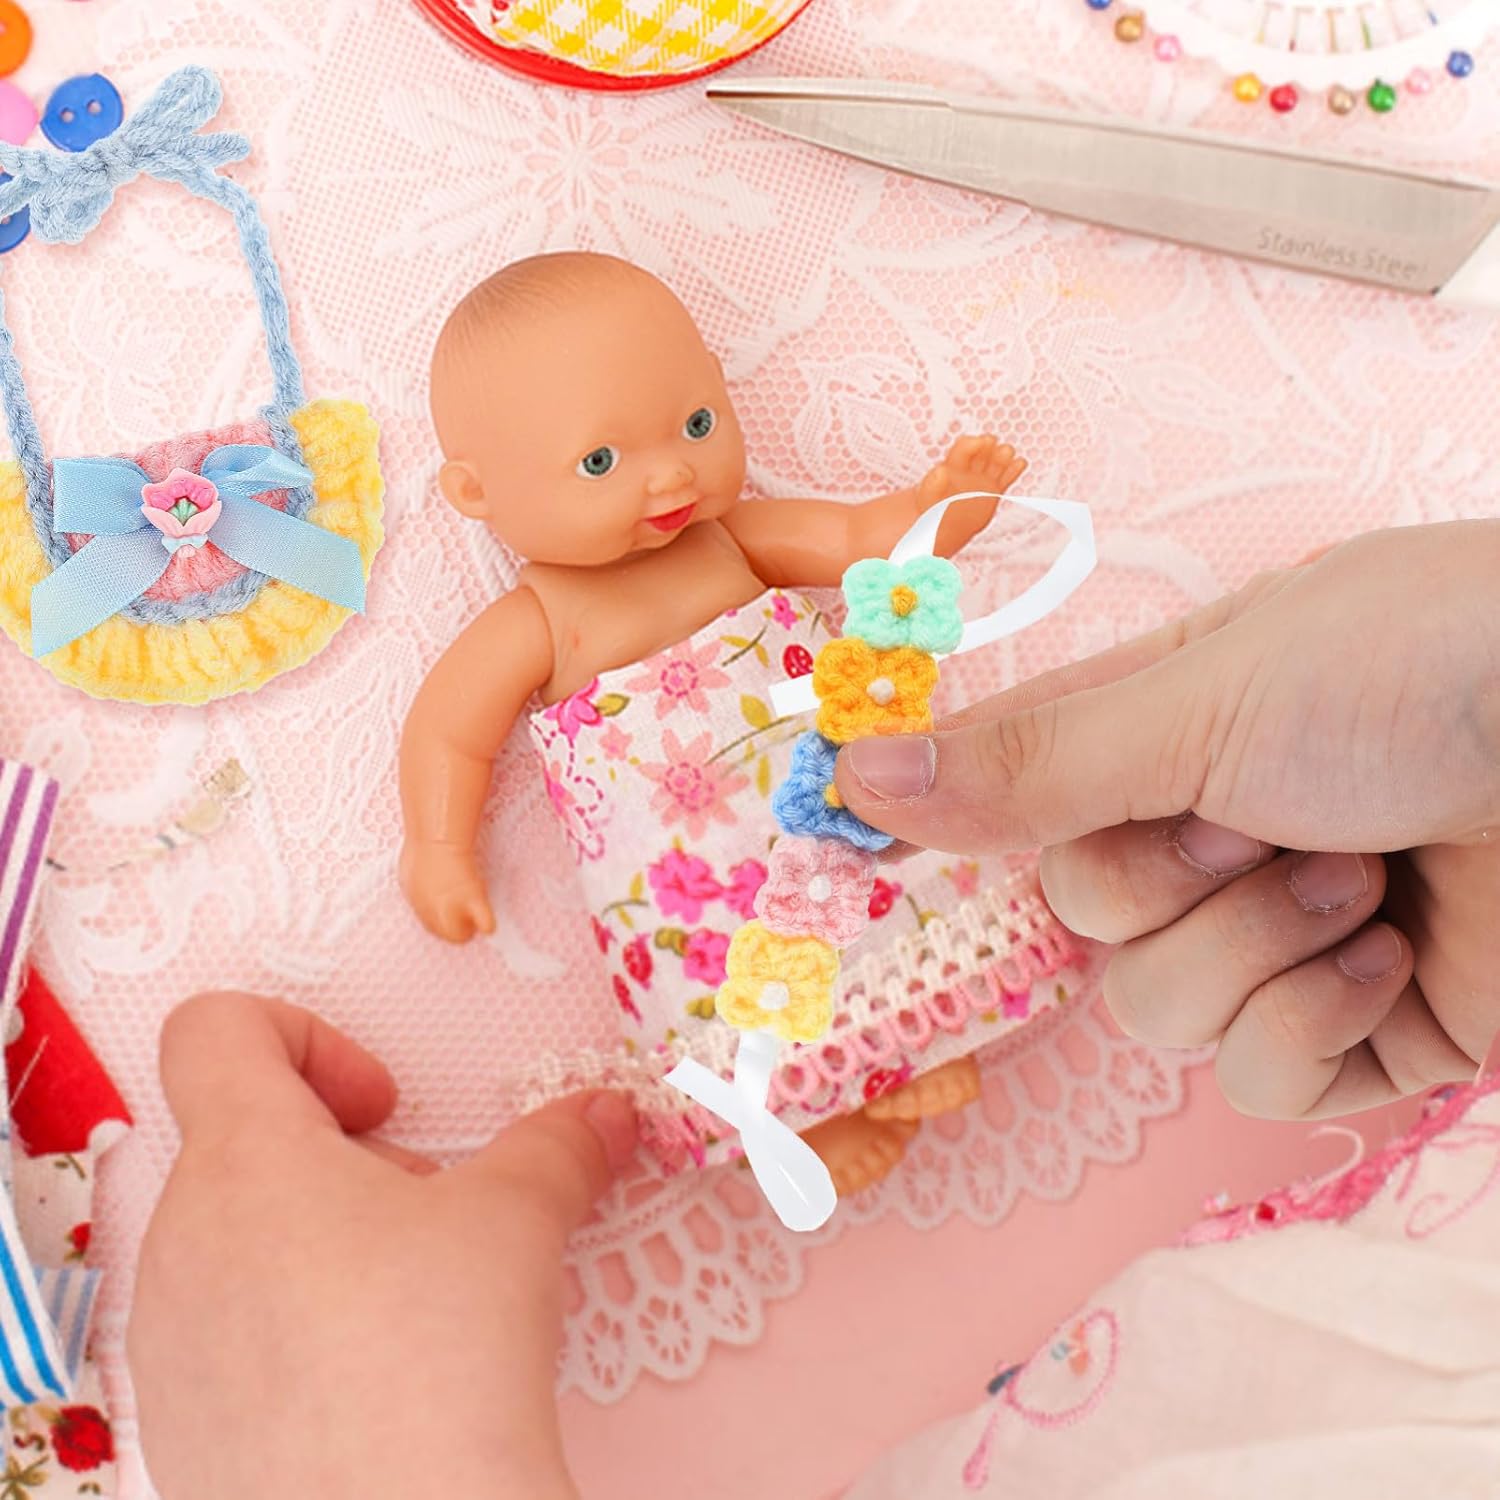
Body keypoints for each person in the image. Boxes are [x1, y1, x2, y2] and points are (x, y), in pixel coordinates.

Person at [128, 520, 1500, 1495]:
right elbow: (452, 725)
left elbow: (856, 540)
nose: (660, 476)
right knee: (759, 1010)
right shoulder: (540, 622)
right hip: (698, 872)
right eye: (600, 460)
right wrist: (440, 844)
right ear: (483, 493)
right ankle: (836, 1123)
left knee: (898, 931)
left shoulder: (731, 545)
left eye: (690, 425)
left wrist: (931, 509)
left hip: (820, 815)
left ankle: (897, 1081)